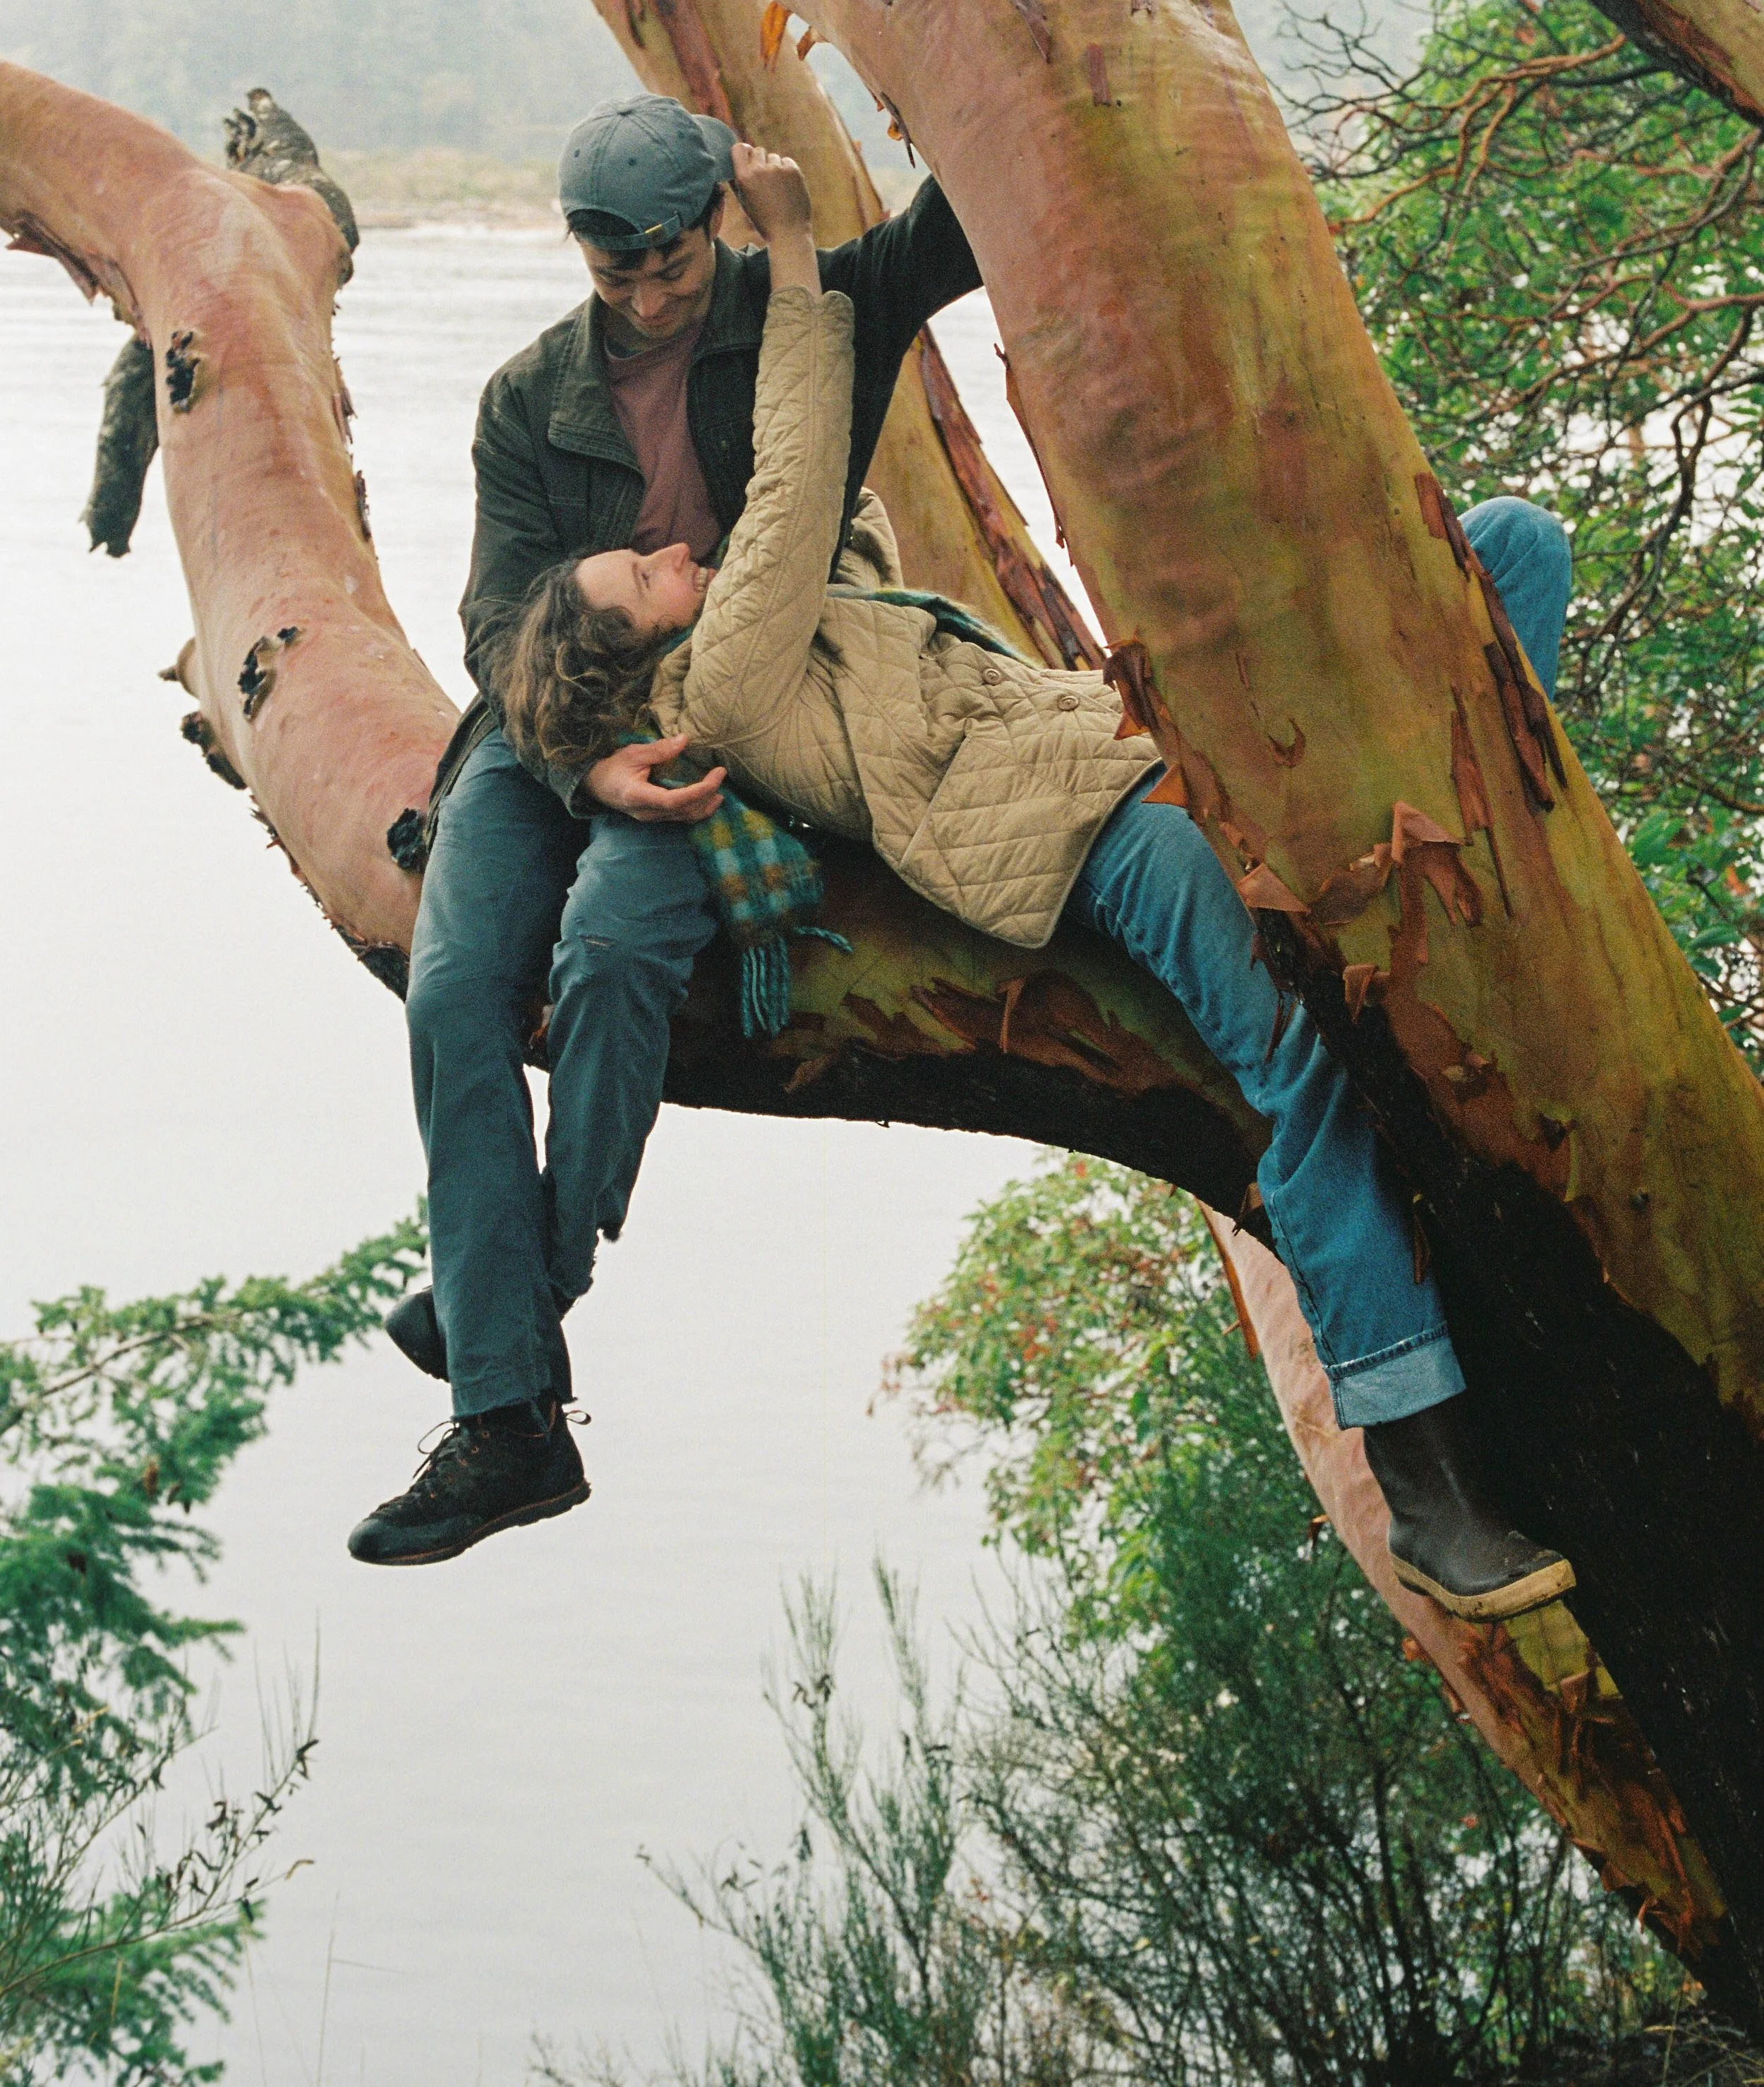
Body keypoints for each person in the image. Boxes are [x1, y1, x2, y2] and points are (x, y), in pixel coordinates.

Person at [494, 151, 1579, 1625]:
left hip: (1116, 735)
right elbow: (807, 458)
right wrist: (799, 242)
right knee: (1294, 1065)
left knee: (1504, 548)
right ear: (640, 663)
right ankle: (1425, 1480)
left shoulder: (784, 619)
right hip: (1081, 826)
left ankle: (1486, 889)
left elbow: (824, 492)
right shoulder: (730, 672)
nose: (659, 545)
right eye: (633, 575)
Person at [346, 104, 981, 1570]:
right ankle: (516, 1432)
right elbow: (498, 619)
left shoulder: (814, 306)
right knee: (451, 990)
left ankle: (508, 1327)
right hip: (544, 723)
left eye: (667, 257)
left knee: (615, 948)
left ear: (710, 218)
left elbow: (966, 216)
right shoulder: (528, 398)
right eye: (610, 260)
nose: (641, 288)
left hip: (726, 706)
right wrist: (586, 766)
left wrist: (919, 42)